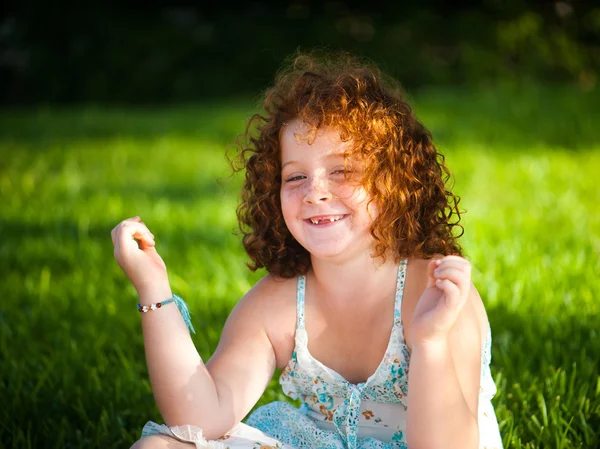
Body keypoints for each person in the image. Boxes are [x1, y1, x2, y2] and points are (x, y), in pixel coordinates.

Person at [112, 52, 503, 449]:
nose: (315, 191)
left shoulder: (435, 295)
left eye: (342, 170)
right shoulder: (277, 303)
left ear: (395, 181)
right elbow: (200, 418)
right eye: (295, 176)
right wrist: (154, 289)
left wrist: (432, 341)